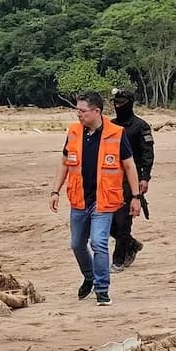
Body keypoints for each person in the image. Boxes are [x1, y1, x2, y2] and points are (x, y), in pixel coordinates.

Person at [49, 91, 142, 306]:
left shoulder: (117, 134)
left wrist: (136, 196)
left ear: (97, 111)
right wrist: (55, 191)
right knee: (76, 244)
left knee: (99, 242)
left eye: (83, 111)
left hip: (104, 201)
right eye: (77, 110)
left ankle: (102, 290)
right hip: (79, 199)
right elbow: (64, 163)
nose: (79, 115)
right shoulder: (73, 133)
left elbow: (129, 166)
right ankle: (89, 276)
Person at [108, 88, 155, 271]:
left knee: (122, 221)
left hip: (131, 179)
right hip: (110, 178)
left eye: (121, 103)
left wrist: (145, 178)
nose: (118, 106)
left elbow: (147, 154)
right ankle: (132, 244)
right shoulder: (110, 126)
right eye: (116, 103)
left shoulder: (140, 126)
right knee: (106, 221)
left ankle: (119, 259)